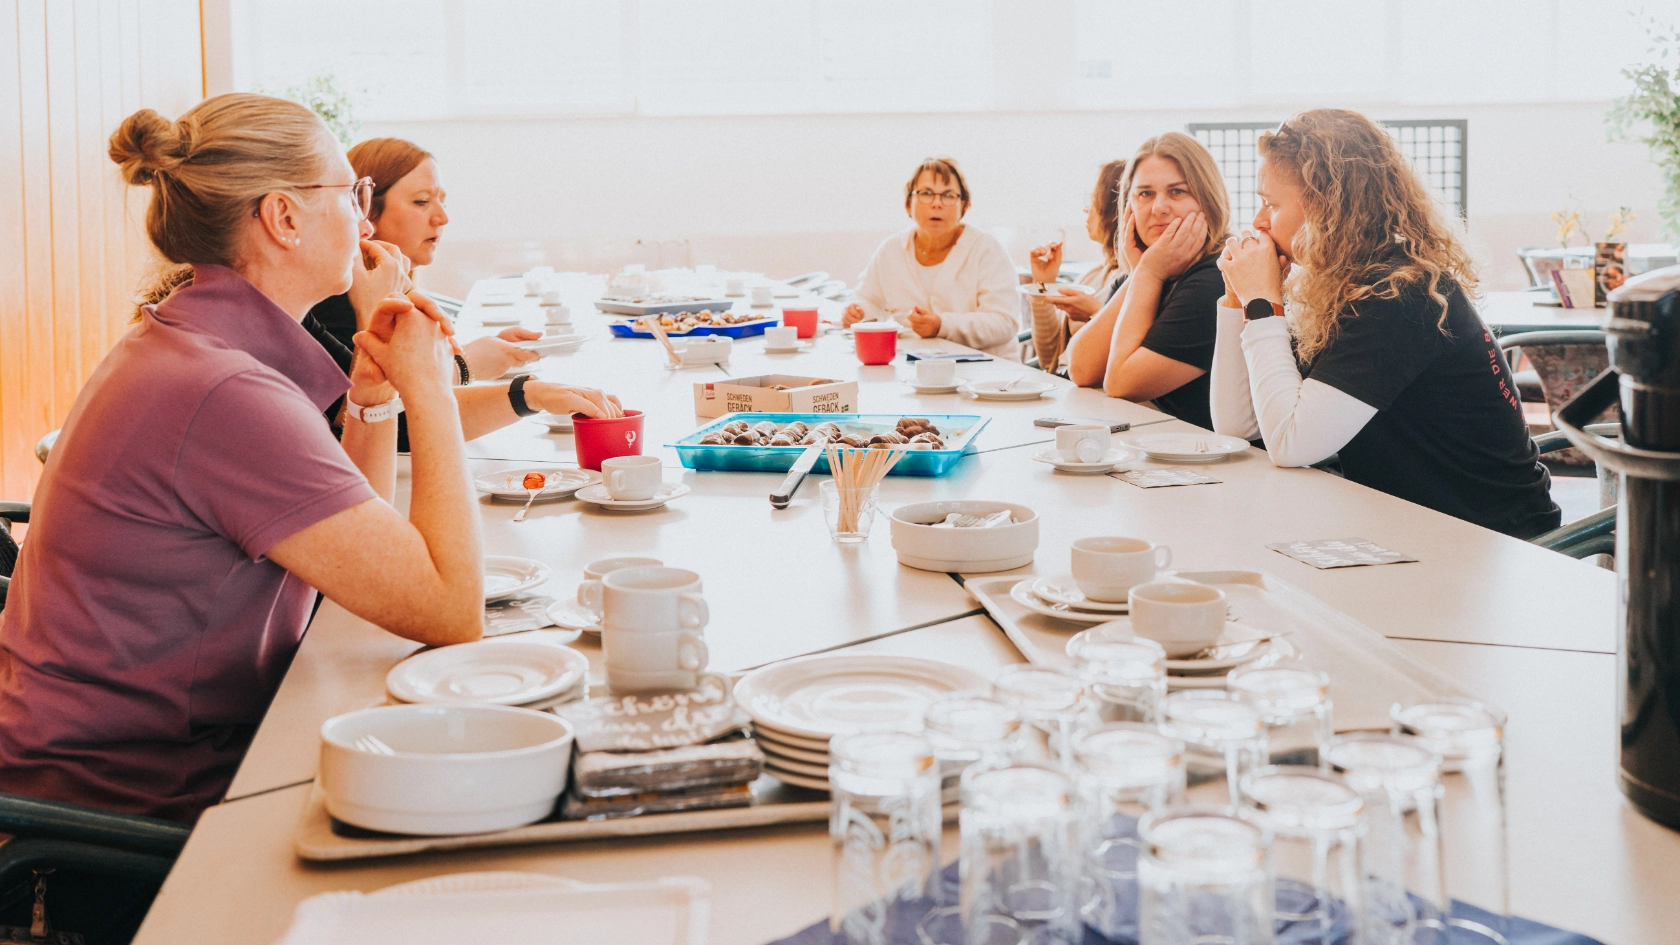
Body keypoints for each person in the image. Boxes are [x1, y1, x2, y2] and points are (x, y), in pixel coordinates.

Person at [0, 93, 489, 830]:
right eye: (351, 194)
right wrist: (432, 388)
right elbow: (450, 609)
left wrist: (372, 395)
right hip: (128, 807)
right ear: (283, 218)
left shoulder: (193, 341)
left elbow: (360, 544)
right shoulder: (224, 390)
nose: (364, 218)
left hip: (110, 761)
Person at [1212, 109, 1560, 538]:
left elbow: (1290, 445)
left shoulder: (1399, 295)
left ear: (1328, 208)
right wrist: (1237, 298)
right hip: (1410, 522)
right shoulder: (1341, 285)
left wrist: (1263, 302)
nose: (1259, 222)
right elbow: (1237, 426)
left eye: (1271, 205)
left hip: (1489, 540)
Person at [304, 138, 621, 439]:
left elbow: (386, 402)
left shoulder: (376, 288)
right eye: (422, 201)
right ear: (366, 209)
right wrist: (475, 370)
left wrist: (511, 382)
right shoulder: (335, 299)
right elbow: (384, 418)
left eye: (441, 201)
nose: (442, 217)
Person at [1066, 133, 1231, 429]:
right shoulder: (1144, 272)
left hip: (1217, 465)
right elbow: (1080, 368)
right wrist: (1143, 273)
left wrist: (1149, 273)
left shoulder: (1216, 278)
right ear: (1129, 208)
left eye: (1177, 192)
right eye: (1145, 194)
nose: (1158, 208)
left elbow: (1122, 383)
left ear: (1208, 199)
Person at [841, 157, 1021, 359]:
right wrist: (857, 313)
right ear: (909, 204)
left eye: (948, 195)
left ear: (964, 205)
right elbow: (867, 300)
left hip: (990, 373)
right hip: (915, 370)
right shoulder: (892, 250)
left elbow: (1005, 322)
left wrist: (942, 325)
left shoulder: (986, 249)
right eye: (926, 193)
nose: (937, 203)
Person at [1026, 159, 1127, 373]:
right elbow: (1049, 358)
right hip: (1067, 387)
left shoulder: (1136, 279)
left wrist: (1094, 313)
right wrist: (1043, 284)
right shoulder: (1092, 276)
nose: (1085, 210)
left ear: (1113, 208)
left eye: (1092, 201)